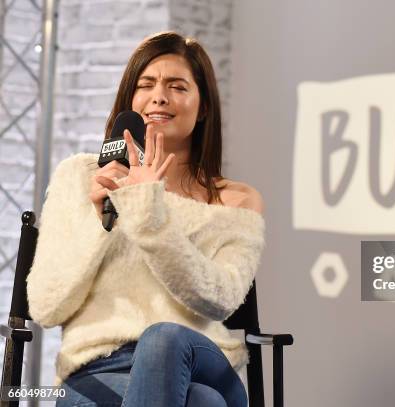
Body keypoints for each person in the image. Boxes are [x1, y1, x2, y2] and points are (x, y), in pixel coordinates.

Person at [26, 31, 265, 407]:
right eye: (147, 84)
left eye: (177, 86)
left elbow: (219, 300)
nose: (159, 96)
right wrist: (101, 220)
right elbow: (45, 306)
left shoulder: (235, 199)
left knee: (164, 339)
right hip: (97, 372)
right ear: (130, 98)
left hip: (200, 358)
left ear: (203, 107)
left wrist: (147, 213)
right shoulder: (81, 177)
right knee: (202, 403)